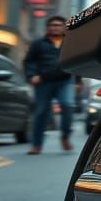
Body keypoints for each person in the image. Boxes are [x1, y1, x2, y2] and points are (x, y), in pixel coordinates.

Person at [24, 15, 75, 155]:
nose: (55, 27)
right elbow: (29, 61)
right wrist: (31, 75)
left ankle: (65, 136)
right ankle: (36, 145)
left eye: (58, 25)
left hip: (65, 81)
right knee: (41, 113)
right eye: (52, 25)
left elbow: (77, 60)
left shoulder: (70, 42)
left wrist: (79, 81)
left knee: (67, 105)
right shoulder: (38, 43)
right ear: (47, 27)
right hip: (43, 82)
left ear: (64, 27)